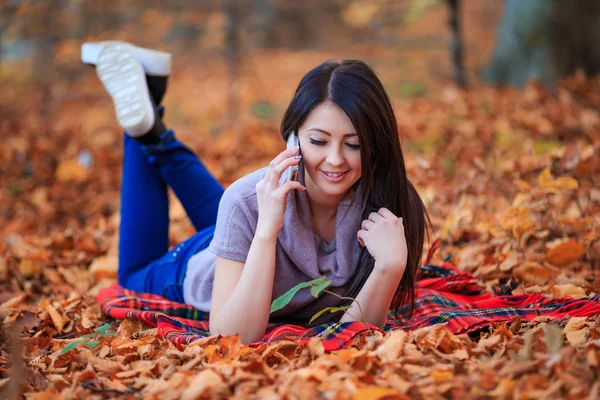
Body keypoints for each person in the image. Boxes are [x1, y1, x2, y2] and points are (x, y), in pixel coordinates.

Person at [83, 41, 431, 344]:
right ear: (293, 139)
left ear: (377, 146)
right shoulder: (249, 202)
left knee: (238, 206)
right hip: (218, 258)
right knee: (134, 273)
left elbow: (356, 338)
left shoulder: (389, 205)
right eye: (318, 141)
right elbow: (232, 337)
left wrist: (389, 267)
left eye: (353, 144)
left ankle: (151, 109)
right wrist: (265, 232)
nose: (335, 159)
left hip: (261, 220)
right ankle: (141, 129)